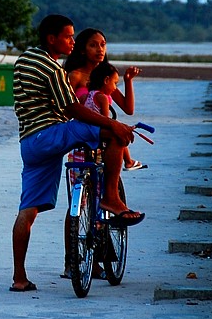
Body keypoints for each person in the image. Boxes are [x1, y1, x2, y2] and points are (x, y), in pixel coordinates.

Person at [10, 15, 144, 292]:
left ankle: (19, 278)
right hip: (50, 133)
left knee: (28, 211)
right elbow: (71, 109)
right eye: (68, 37)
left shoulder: (25, 58)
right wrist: (111, 122)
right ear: (52, 39)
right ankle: (111, 198)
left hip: (29, 143)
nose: (72, 41)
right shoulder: (52, 68)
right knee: (116, 133)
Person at [64, 28, 145, 171]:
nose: (100, 49)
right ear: (82, 50)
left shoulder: (104, 78)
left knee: (103, 183)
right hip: (82, 138)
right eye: (93, 45)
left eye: (103, 45)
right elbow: (67, 108)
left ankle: (114, 186)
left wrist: (128, 81)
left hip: (104, 142)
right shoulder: (75, 75)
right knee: (81, 185)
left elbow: (128, 109)